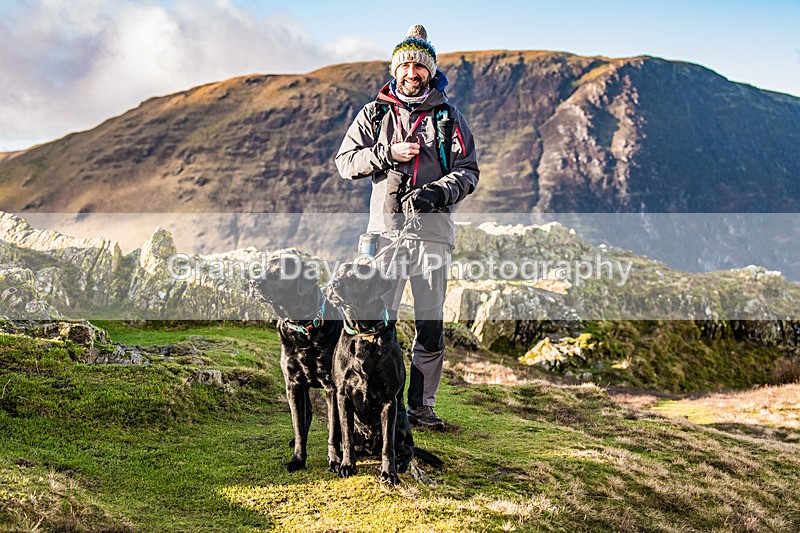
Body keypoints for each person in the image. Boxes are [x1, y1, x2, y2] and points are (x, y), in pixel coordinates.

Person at [335, 24, 479, 429]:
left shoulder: (450, 119)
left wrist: (437, 193)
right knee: (381, 321)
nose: (412, 72)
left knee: (430, 327)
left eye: (419, 65)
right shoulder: (375, 114)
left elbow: (468, 171)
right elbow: (346, 163)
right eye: (405, 65)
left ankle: (422, 407)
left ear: (430, 72)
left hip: (432, 235)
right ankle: (385, 407)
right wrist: (386, 153)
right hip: (383, 236)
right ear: (394, 70)